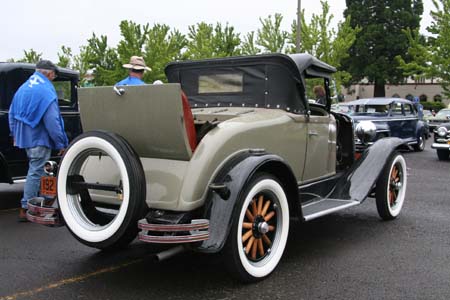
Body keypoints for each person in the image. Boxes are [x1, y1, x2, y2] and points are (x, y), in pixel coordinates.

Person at [9, 60, 68, 221]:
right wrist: (61, 142)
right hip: (39, 138)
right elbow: (53, 121)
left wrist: (15, 133)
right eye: (53, 77)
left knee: (40, 171)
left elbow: (12, 114)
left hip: (24, 137)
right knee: (36, 171)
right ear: (49, 73)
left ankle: (42, 204)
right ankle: (26, 207)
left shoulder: (23, 88)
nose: (52, 80)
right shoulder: (45, 91)